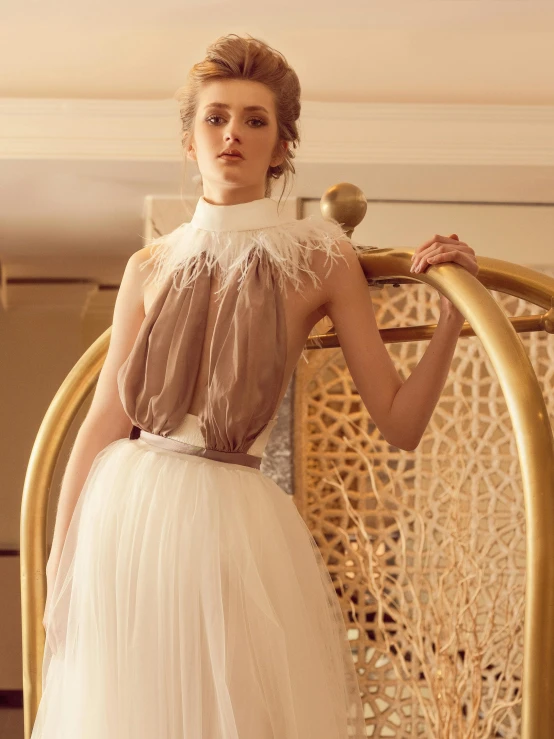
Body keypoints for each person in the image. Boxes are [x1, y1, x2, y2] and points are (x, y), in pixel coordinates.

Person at [32, 33, 478, 738]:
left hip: (230, 522)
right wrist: (59, 561)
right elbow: (101, 423)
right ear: (189, 141)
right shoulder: (149, 263)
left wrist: (456, 313)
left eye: (254, 119)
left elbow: (400, 421)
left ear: (281, 146)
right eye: (214, 117)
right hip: (122, 517)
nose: (232, 133)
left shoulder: (319, 255)